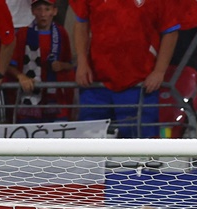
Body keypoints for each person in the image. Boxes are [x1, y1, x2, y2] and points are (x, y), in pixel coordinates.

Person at [71, 0, 175, 138]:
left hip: (138, 84)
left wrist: (159, 71)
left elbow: (171, 31)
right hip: (96, 84)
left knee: (137, 146)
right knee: (91, 144)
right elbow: (81, 23)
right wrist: (82, 61)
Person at [7, 0, 73, 123]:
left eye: (47, 9)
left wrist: (61, 65)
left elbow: (70, 64)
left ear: (54, 11)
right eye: (39, 9)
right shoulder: (23, 34)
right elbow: (10, 65)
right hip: (28, 100)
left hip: (55, 102)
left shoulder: (61, 33)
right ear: (32, 11)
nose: (43, 14)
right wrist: (21, 76)